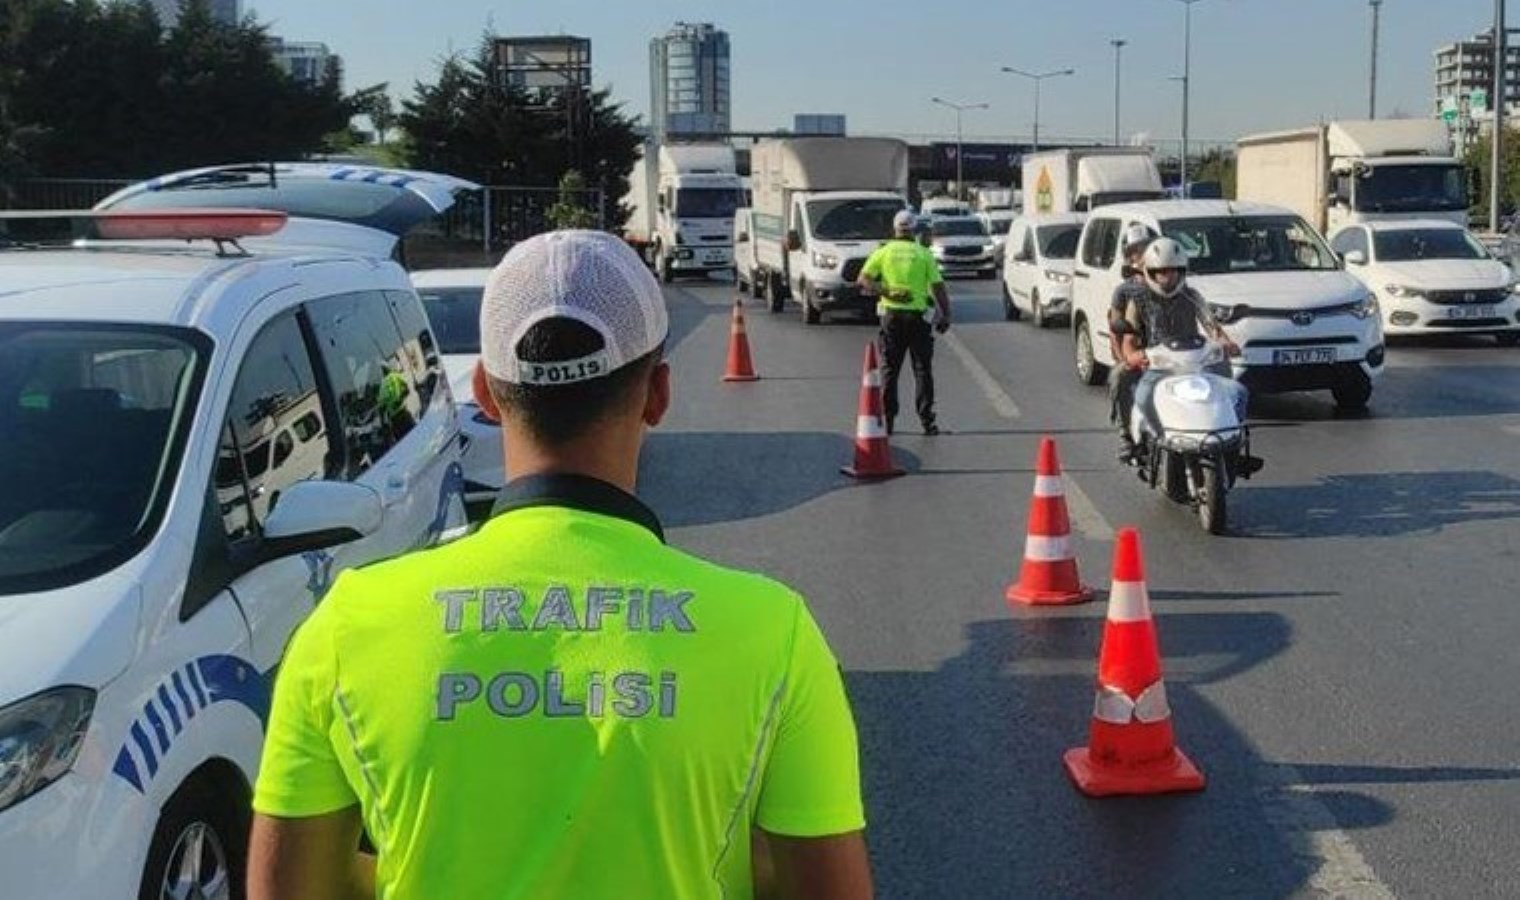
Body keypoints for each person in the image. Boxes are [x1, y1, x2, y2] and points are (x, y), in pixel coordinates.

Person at [248, 230, 873, 900]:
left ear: (486, 393)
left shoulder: (346, 627)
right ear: (658, 394)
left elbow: (288, 890)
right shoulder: (772, 632)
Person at [1118, 237, 1243, 451]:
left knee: (1237, 392)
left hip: (1197, 364)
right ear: (1150, 272)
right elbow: (1128, 340)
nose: (1168, 277)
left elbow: (1212, 327)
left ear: (1182, 271)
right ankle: (1135, 437)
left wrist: (1226, 344)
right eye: (1162, 272)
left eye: (1173, 271)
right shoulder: (1137, 300)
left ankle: (1232, 440)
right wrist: (1133, 356)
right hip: (1157, 366)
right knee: (1136, 391)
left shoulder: (1192, 296)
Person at [856, 209, 952, 436]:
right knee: (922, 370)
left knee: (890, 370)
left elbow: (863, 280)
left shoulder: (884, 252)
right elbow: (938, 287)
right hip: (918, 319)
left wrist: (886, 291)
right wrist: (946, 314)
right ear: (914, 230)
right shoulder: (923, 254)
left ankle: (888, 421)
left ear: (895, 229)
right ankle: (927, 421)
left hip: (892, 317)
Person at [1110, 224, 1155, 462]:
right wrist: (1125, 360)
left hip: (1171, 353)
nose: (1142, 253)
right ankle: (1126, 434)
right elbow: (1116, 330)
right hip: (1136, 353)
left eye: (1147, 248)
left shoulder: (1173, 282)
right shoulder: (1124, 292)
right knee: (1119, 377)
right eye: (1137, 250)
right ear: (1129, 256)